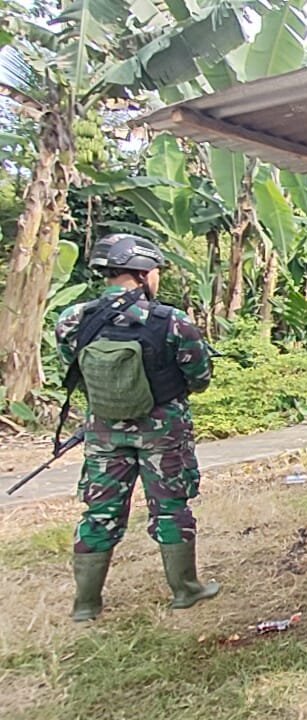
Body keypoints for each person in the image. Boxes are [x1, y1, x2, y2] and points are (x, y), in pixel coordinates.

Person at [55, 233, 218, 622]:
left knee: (100, 511)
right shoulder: (171, 321)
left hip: (104, 431)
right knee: (170, 506)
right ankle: (184, 589)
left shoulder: (74, 319)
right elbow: (199, 375)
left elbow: (73, 367)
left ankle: (86, 604)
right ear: (144, 273)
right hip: (163, 430)